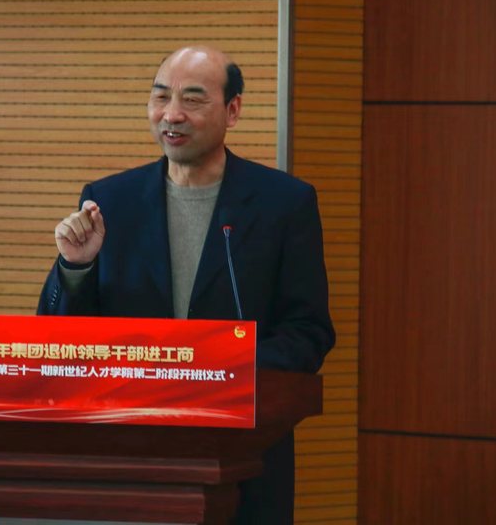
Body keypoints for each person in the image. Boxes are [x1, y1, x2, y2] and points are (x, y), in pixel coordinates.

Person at [38, 46, 335, 523]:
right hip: (127, 454)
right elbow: (60, 337)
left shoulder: (284, 203)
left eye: (193, 100)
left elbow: (308, 331)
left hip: (243, 458)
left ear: (232, 110)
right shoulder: (109, 200)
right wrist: (76, 267)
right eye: (161, 97)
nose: (172, 114)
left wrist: (216, 373)